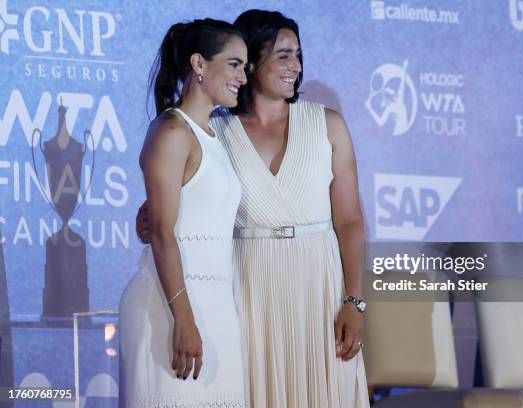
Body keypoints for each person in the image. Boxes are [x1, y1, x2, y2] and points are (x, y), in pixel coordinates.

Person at [137, 10, 369, 407]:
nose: (295, 66)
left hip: (320, 285)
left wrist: (354, 300)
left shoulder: (328, 125)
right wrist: (149, 221)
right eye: (283, 55)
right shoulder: (216, 131)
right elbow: (160, 219)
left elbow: (349, 222)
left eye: (298, 54)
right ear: (253, 60)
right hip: (247, 288)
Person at [120, 18, 248, 407]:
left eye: (245, 66)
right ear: (199, 64)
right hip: (171, 308)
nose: (243, 77)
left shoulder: (217, 135)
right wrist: (184, 320)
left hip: (217, 308)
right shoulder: (172, 132)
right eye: (234, 64)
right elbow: (161, 232)